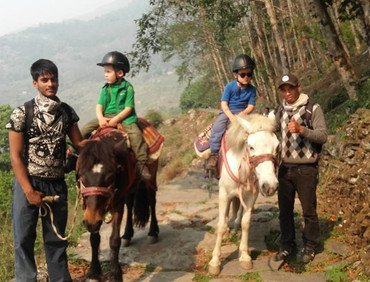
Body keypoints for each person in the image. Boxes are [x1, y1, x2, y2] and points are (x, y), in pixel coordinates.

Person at [6, 59, 82, 281]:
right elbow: (15, 156)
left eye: (54, 79)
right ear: (35, 83)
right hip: (27, 184)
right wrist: (29, 191)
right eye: (44, 80)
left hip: (56, 184)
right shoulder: (22, 113)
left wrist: (105, 137)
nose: (51, 84)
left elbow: (79, 144)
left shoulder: (66, 112)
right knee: (23, 239)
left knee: (57, 241)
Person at [273, 73, 327, 265]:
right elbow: (271, 131)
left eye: (291, 88)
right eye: (284, 89)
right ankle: (287, 245)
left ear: (298, 87)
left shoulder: (313, 109)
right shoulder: (279, 110)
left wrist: (302, 130)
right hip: (285, 168)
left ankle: (311, 245)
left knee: (308, 210)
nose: (287, 93)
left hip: (306, 169)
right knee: (285, 211)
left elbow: (322, 136)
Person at [81, 51, 151, 180]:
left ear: (119, 73)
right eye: (105, 72)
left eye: (108, 72)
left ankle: (142, 163)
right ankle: (74, 154)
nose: (105, 75)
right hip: (106, 115)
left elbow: (128, 108)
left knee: (136, 136)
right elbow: (99, 106)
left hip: (125, 118)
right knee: (84, 129)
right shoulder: (105, 88)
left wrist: (116, 120)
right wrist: (101, 118)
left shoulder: (128, 88)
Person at [207, 54, 256, 170]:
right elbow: (224, 104)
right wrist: (231, 116)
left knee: (256, 129)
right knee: (217, 127)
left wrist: (242, 114)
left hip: (243, 113)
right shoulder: (229, 87)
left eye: (249, 74)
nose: (246, 77)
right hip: (228, 112)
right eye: (243, 74)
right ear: (235, 74)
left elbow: (251, 106)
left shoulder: (252, 89)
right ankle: (214, 154)